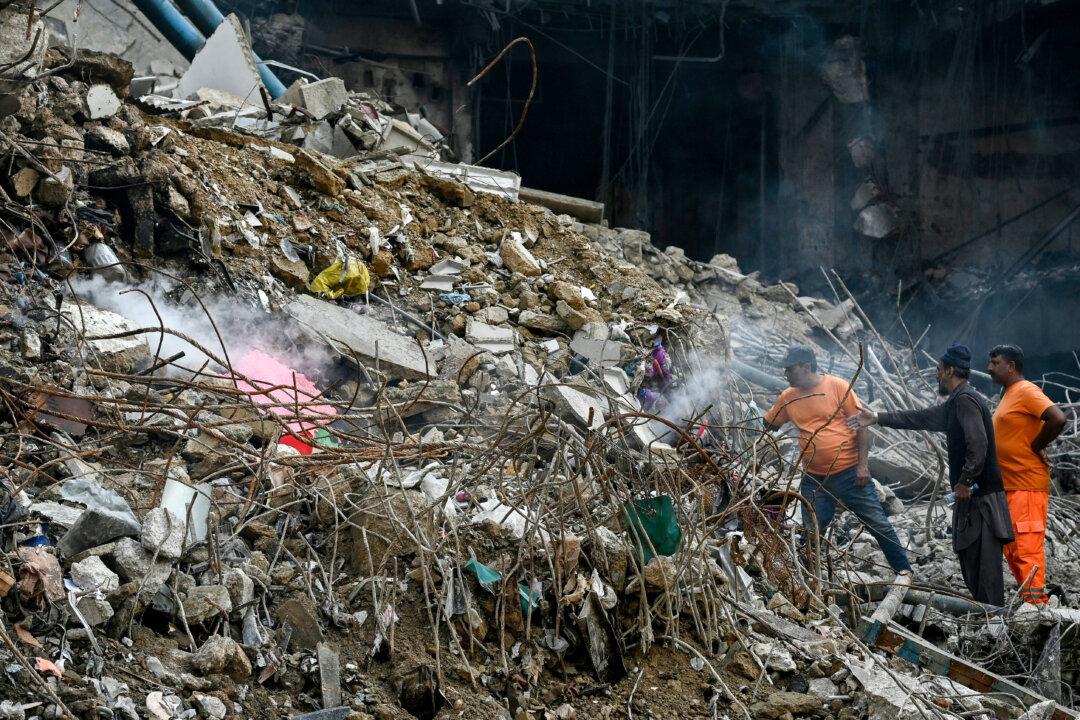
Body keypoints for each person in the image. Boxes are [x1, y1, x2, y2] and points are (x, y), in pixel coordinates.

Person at [848, 344, 1013, 605]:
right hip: (973, 500)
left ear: (949, 370)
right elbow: (919, 418)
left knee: (984, 569)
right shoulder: (957, 402)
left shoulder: (966, 401)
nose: (936, 375)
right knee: (972, 561)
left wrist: (965, 481)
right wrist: (877, 417)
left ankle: (994, 623)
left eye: (938, 370)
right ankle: (988, 620)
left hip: (982, 502)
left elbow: (978, 444)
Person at [763, 344, 912, 575]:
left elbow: (863, 427)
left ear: (806, 367)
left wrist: (863, 466)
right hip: (814, 478)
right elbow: (770, 424)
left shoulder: (838, 387)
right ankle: (809, 578)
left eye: (790, 369)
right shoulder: (787, 397)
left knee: (878, 524)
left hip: (850, 473)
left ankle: (905, 572)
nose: (786, 374)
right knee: (812, 530)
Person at [987, 344, 1067, 604]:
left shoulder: (1026, 390)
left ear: (1010, 366)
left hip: (1026, 486)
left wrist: (1036, 446)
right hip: (1011, 486)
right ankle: (1031, 603)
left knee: (1026, 548)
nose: (989, 367)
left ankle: (1037, 609)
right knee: (1013, 549)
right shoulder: (1009, 394)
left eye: (995, 362)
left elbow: (1057, 418)